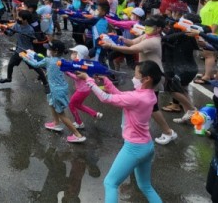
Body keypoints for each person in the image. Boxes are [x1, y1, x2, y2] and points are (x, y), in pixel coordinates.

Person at [76, 61, 164, 203]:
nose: (133, 77)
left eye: (136, 75)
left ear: (147, 79)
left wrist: (89, 80)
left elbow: (106, 98)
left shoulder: (136, 97)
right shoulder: (149, 95)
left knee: (110, 183)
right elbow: (122, 96)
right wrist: (106, 82)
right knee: (145, 186)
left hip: (134, 148)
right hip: (147, 146)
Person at [100, 16, 178, 145]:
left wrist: (111, 46)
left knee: (152, 107)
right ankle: (151, 130)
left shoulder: (153, 41)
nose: (147, 28)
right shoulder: (147, 36)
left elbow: (131, 50)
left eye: (150, 26)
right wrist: (121, 38)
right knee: (148, 105)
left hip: (152, 77)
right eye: (146, 25)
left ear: (158, 29)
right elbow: (132, 43)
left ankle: (168, 132)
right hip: (146, 74)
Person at [21, 40, 86, 143]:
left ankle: (77, 135)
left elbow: (36, 64)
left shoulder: (48, 61)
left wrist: (24, 57)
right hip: (59, 88)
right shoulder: (61, 60)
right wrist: (33, 54)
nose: (47, 50)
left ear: (54, 51)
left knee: (61, 114)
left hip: (56, 90)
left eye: (49, 49)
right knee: (51, 103)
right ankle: (56, 123)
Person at [65, 45, 103, 129]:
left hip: (82, 90)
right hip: (86, 89)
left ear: (80, 54)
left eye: (75, 52)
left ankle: (79, 123)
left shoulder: (81, 65)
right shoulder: (83, 63)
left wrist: (67, 72)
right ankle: (95, 114)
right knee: (78, 105)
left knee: (71, 105)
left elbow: (78, 77)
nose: (72, 54)